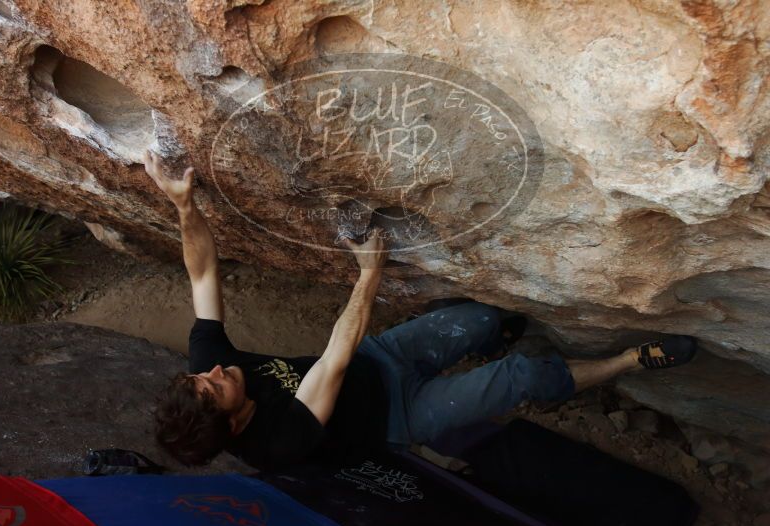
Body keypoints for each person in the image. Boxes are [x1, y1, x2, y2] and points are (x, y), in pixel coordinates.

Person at [145, 151, 698, 471]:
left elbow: (202, 274)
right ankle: (626, 360)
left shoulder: (211, 368)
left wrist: (184, 206)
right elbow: (332, 361)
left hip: (376, 357)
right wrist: (369, 273)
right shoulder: (276, 443)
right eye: (214, 388)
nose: (215, 371)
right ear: (234, 421)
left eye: (202, 374)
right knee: (522, 376)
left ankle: (490, 337)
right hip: (400, 414)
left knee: (480, 319)